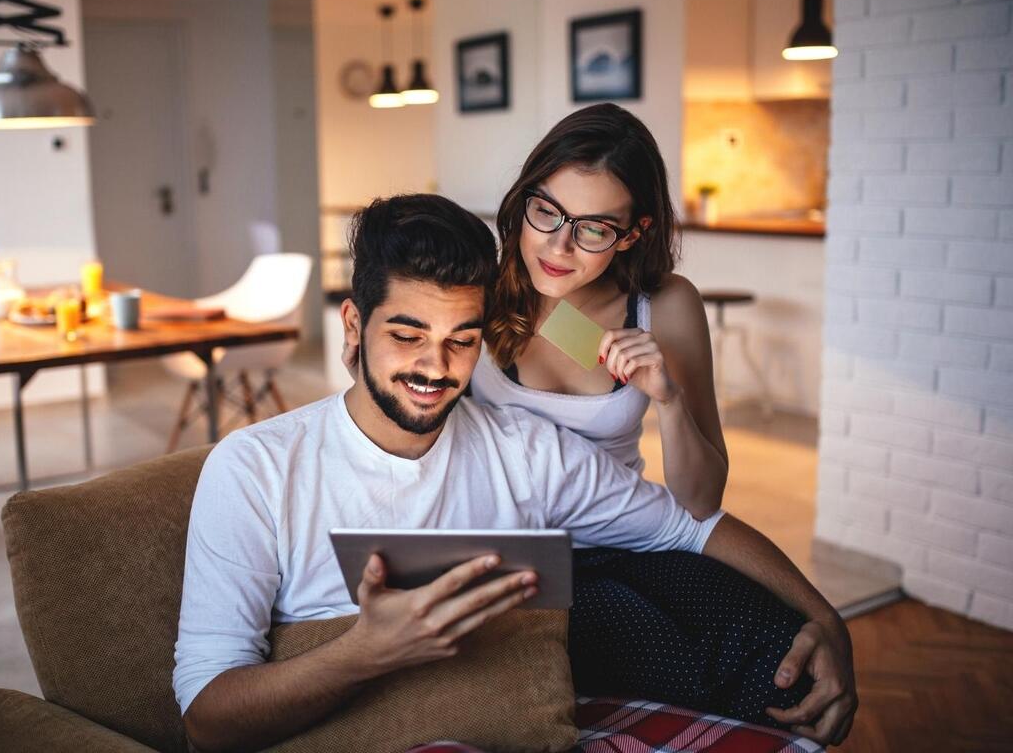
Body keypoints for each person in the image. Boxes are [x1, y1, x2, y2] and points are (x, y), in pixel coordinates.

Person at [174, 194, 856, 753]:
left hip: (521, 711)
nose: (434, 368)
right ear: (353, 328)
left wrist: (824, 617)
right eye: (406, 336)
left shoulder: (526, 450)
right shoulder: (256, 470)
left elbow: (693, 525)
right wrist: (367, 651)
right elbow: (206, 719)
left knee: (751, 638)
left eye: (461, 341)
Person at [341, 105, 768, 716]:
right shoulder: (483, 291)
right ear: (524, 200)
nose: (559, 247)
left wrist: (668, 399)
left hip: (629, 533)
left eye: (593, 229)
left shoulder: (664, 305)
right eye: (546, 213)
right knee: (675, 654)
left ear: (634, 232)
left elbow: (699, 503)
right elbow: (404, 403)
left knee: (760, 626)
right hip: (512, 553)